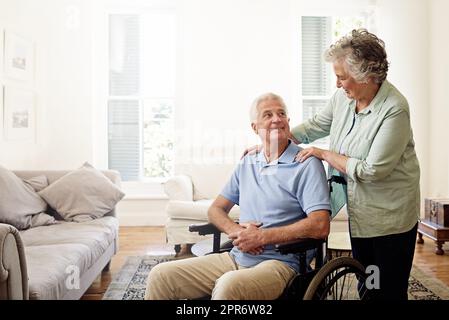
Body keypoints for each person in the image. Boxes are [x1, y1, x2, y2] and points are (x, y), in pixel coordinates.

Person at [247, 29, 419, 300]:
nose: (337, 84)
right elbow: (316, 126)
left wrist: (324, 154)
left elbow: (371, 171)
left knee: (386, 289)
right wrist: (274, 139)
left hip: (390, 217)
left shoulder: (394, 109)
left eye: (342, 77)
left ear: (365, 76)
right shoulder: (344, 98)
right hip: (360, 212)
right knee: (368, 280)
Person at [145, 93, 331, 300]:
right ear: (255, 127)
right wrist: (237, 232)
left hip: (281, 264)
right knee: (161, 275)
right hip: (236, 257)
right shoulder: (249, 161)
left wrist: (262, 236)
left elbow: (320, 225)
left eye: (281, 114)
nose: (276, 119)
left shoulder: (306, 164)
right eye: (267, 115)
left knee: (229, 285)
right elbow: (215, 210)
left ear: (288, 121)